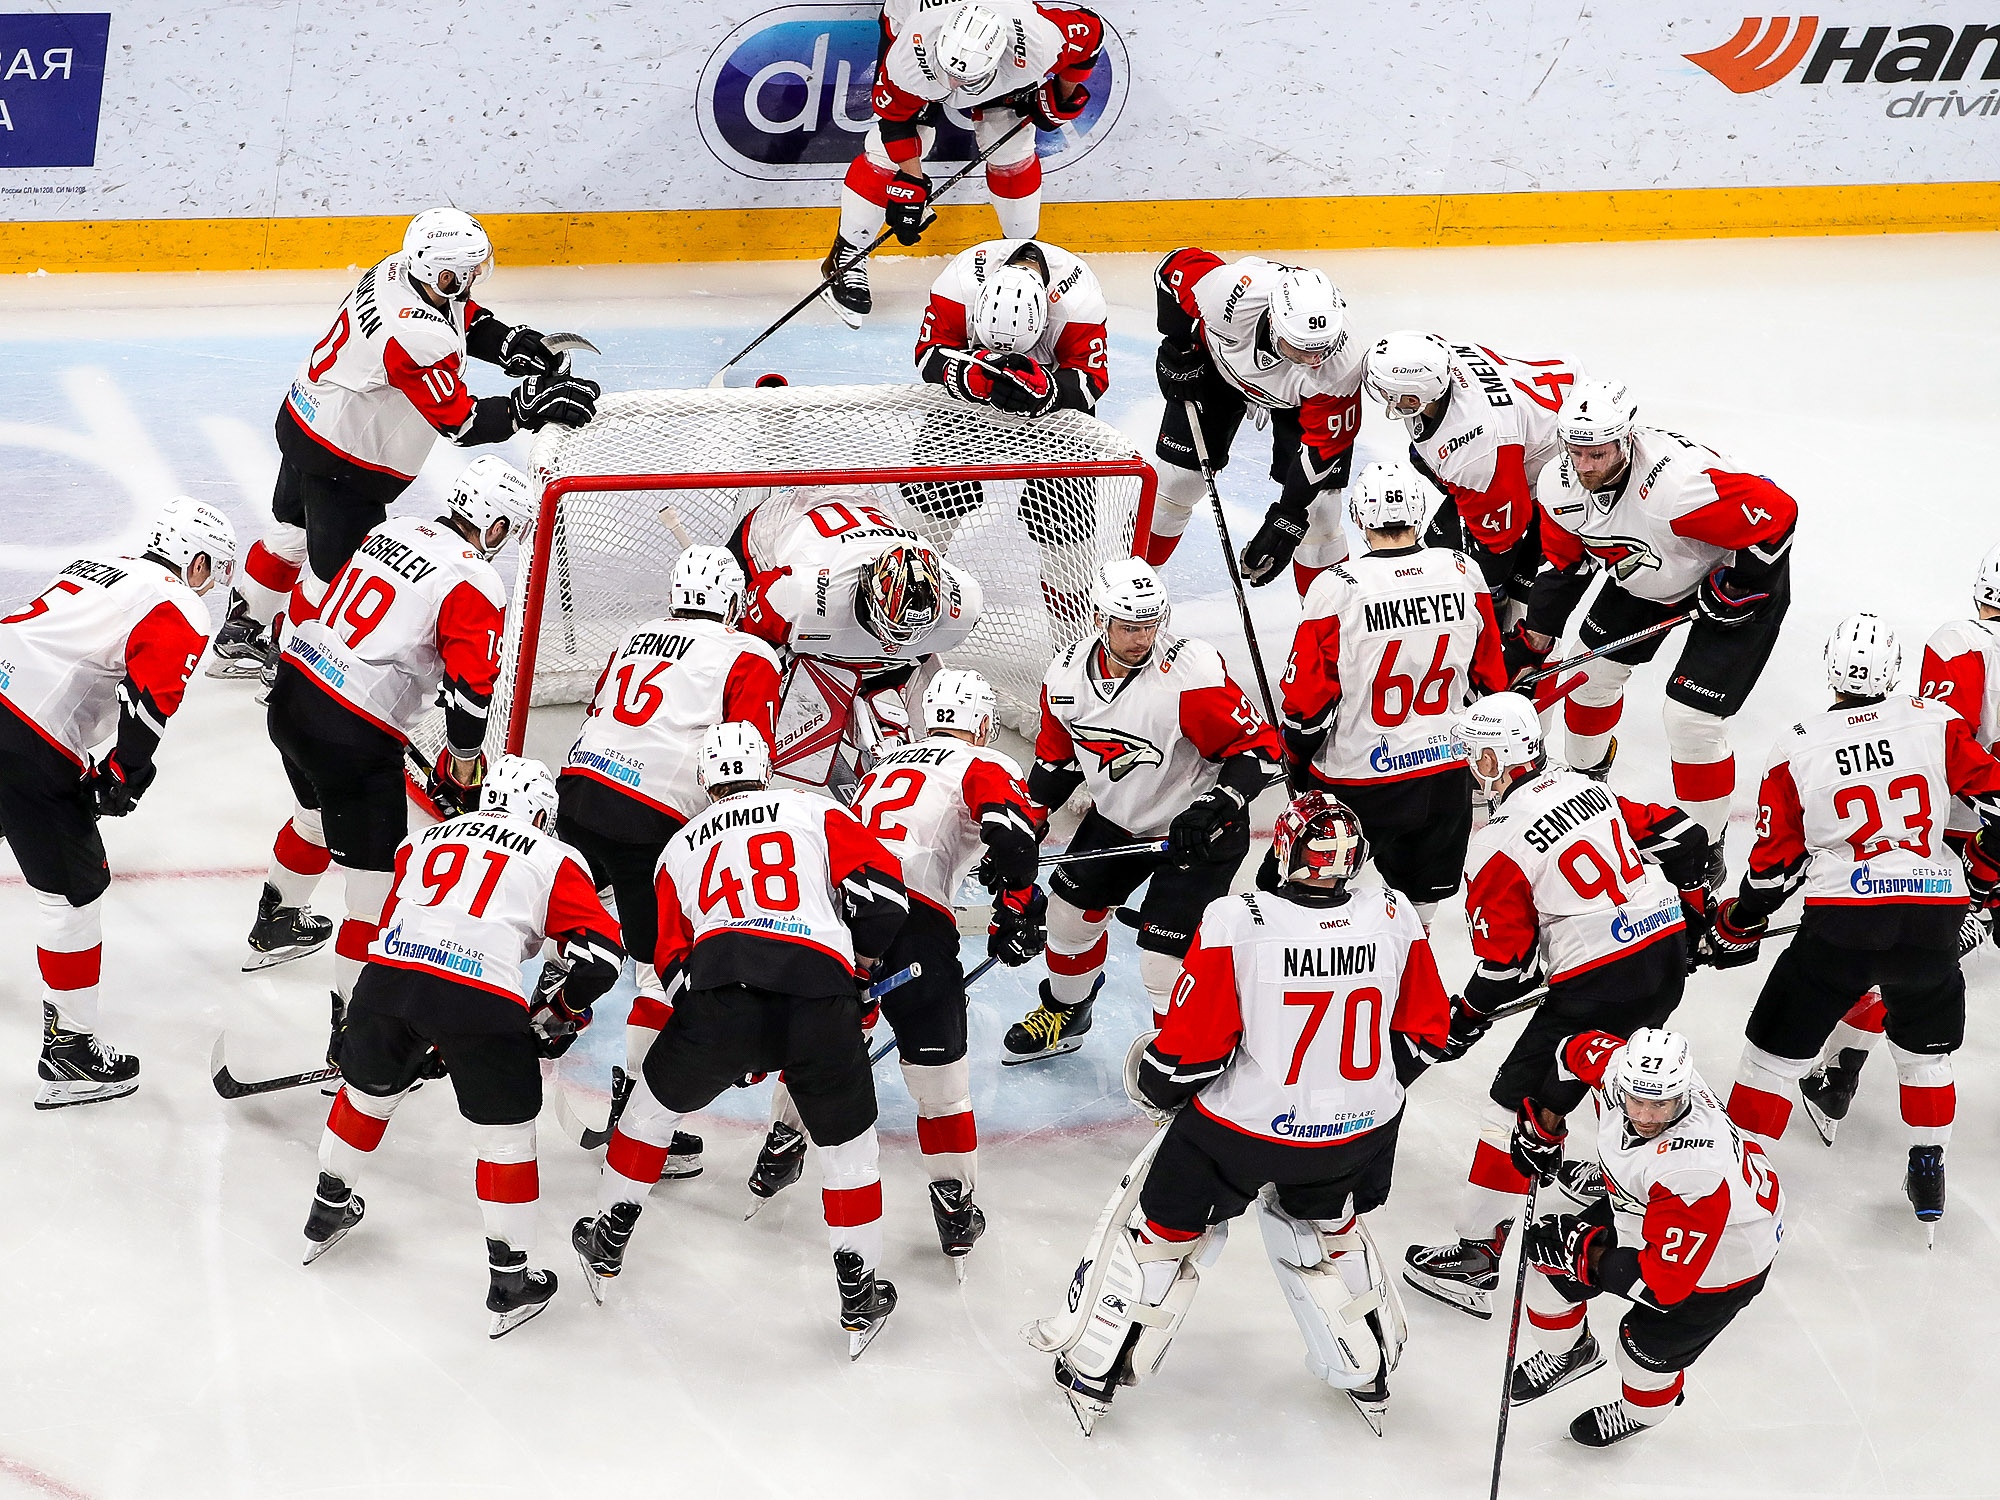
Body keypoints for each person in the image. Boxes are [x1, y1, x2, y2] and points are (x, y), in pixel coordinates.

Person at [1025, 793, 1448, 1436]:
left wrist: (1155, 1080)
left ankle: (1095, 1366)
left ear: (1281, 853)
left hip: (1244, 1131)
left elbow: (1191, 1055)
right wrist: (1356, 1092)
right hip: (1363, 1130)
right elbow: (1425, 1034)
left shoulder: (1236, 918)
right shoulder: (1393, 913)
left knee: (1163, 1226)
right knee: (1327, 1223)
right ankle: (1371, 1366)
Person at [570, 723, 911, 1358]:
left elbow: (670, 966)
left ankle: (610, 1229)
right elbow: (886, 900)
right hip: (821, 997)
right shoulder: (816, 810)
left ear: (705, 779)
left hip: (721, 996)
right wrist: (859, 966)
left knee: (650, 1111)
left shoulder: (677, 848)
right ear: (766, 765)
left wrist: (732, 1046)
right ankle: (860, 1286)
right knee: (849, 1147)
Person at [1401, 692, 1711, 1318]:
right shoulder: (1583, 783)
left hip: (1600, 982)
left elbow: (1506, 972)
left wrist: (1463, 1019)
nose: (1470, 769)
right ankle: (1602, 1175)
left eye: (1477, 757)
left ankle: (1478, 1253)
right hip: (1664, 956)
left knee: (1514, 1102)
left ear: (1500, 758)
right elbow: (1684, 834)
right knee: (1607, 1065)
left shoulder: (1496, 846)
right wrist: (1694, 912)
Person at [301, 756, 625, 1339]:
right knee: (505, 1140)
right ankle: (510, 1280)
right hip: (482, 999)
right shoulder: (556, 858)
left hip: (388, 981)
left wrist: (420, 1031)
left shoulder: (422, 842)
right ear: (542, 813)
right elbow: (600, 960)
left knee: (368, 1095)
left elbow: (403, 921)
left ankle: (325, 1209)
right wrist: (559, 1011)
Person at [208, 208, 597, 675]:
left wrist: (508, 342)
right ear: (442, 272)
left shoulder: (399, 267)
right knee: (342, 579)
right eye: (468, 271)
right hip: (346, 460)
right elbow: (462, 422)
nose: (475, 276)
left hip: (306, 419)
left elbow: (459, 315)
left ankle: (243, 628)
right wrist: (525, 406)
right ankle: (297, 668)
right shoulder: (412, 335)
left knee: (291, 529)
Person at [1717, 614, 2000, 1234]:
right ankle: (1928, 1163)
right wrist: (1988, 862)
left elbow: (1772, 867)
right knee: (1924, 1051)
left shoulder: (1798, 743)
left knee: (1770, 1058)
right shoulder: (1939, 721)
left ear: (1830, 667)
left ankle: (1740, 1179)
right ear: (1894, 669)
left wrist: (1741, 917)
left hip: (1843, 923)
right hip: (1932, 915)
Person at [750, 669, 1043, 1262]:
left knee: (828, 1039)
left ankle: (782, 1142)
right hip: (914, 921)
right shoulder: (980, 765)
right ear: (982, 725)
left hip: (839, 914)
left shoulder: (880, 765)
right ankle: (954, 1204)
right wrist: (1015, 905)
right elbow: (1012, 831)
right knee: (940, 1084)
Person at [258, 457, 522, 1058]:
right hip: (350, 733)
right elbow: (470, 688)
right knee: (375, 898)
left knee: (314, 817)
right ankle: (353, 1040)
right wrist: (463, 760)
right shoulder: (474, 579)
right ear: (495, 527)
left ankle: (276, 920)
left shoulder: (391, 529)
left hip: (294, 692)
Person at [0, 497, 235, 1106]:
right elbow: (152, 694)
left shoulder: (93, 565)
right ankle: (70, 1052)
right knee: (74, 897)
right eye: (214, 572)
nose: (210, 588)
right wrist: (125, 771)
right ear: (198, 560)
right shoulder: (176, 600)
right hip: (30, 739)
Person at [556, 543, 783, 1167]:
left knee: (571, 915)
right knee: (659, 962)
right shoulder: (749, 653)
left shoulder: (635, 635)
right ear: (734, 602)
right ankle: (635, 1111)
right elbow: (744, 755)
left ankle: (552, 1001)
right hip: (648, 816)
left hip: (574, 790)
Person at [1009, 557, 1281, 1061]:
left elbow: (1261, 750)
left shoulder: (1189, 674)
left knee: (1162, 962)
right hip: (1118, 820)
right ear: (1099, 619)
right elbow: (1057, 766)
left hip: (1200, 830)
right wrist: (1024, 826)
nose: (1142, 638)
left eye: (1150, 624)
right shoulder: (1065, 677)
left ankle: (1178, 1059)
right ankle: (1068, 1013)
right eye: (1130, 627)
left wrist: (1219, 803)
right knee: (1069, 918)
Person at [1507, 379, 1796, 848]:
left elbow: (1777, 512)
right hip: (1649, 570)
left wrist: (1739, 585)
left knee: (1690, 720)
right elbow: (1565, 565)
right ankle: (1584, 792)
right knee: (1586, 675)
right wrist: (1533, 641)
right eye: (1575, 451)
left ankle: (1704, 852)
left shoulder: (1675, 488)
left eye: (1597, 454)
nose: (1584, 466)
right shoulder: (1558, 486)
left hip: (1730, 576)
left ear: (1624, 440)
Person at [1507, 1027, 1782, 1447]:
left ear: (1684, 1093)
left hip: (1722, 1259)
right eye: (1638, 1100)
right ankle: (1571, 1353)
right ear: (1623, 1084)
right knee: (1548, 1277)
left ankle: (1643, 1414)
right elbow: (1572, 1050)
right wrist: (1545, 1123)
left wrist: (1586, 1254)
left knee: (1640, 1359)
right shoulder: (1619, 1070)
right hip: (1647, 1206)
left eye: (1663, 1104)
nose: (1648, 1116)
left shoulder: (1693, 1172)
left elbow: (1664, 1286)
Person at [1280, 458, 1508, 928]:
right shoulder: (1463, 570)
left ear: (1360, 519)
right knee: (1417, 916)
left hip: (1358, 781)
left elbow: (1306, 707)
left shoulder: (1337, 587)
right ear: (1420, 511)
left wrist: (1297, 765)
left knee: (1298, 903)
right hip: (1445, 776)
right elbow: (1491, 683)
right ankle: (1408, 992)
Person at [822, 0, 1104, 321]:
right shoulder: (912, 48)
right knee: (888, 151)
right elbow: (894, 117)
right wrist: (911, 179)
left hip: (1003, 62)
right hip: (921, 33)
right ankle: (847, 254)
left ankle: (1024, 257)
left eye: (962, 79)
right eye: (950, 75)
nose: (952, 85)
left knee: (1011, 149)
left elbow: (1091, 35)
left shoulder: (1038, 39)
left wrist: (1061, 94)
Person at [1148, 249, 1363, 597]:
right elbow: (1172, 267)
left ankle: (1331, 624)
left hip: (1298, 401)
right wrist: (1178, 342)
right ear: (1274, 323)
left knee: (1320, 513)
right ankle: (1136, 593)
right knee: (1177, 482)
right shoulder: (1232, 295)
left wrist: (1288, 517)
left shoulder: (1341, 367)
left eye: (1323, 348)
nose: (1314, 360)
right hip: (1219, 371)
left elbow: (1323, 448)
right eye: (1301, 349)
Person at [732, 490, 981, 787]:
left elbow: (916, 648)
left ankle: (882, 703)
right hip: (778, 522)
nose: (897, 640)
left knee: (905, 650)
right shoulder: (803, 597)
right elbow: (743, 636)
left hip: (864, 516)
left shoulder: (961, 601)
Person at [1360, 331, 1581, 624]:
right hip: (1535, 426)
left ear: (1415, 396)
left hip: (1565, 468)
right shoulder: (1439, 360)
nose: (1382, 395)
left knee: (1509, 594)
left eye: (1389, 390)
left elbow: (1502, 539)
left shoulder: (1475, 453)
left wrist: (1486, 597)